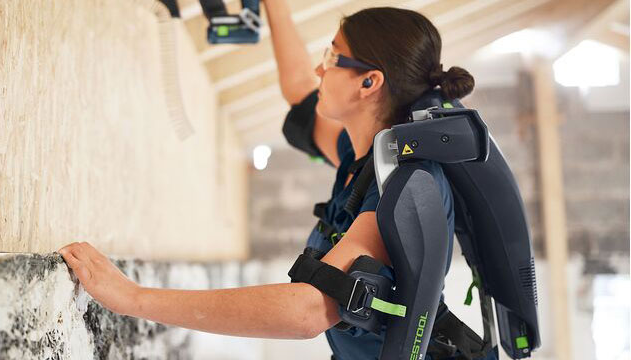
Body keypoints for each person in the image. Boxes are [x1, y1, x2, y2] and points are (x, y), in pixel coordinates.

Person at [58, 2, 477, 359]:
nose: (318, 68)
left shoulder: (406, 187)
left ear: (369, 83)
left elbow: (309, 310)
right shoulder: (367, 158)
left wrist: (133, 299)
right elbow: (299, 89)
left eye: (332, 58)